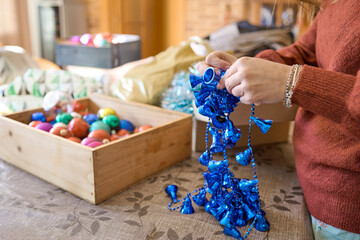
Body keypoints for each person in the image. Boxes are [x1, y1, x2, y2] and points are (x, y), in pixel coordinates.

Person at [196, 0, 360, 239]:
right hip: (315, 185)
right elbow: (305, 53)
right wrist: (247, 69)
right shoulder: (331, 5)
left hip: (347, 210)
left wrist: (292, 82)